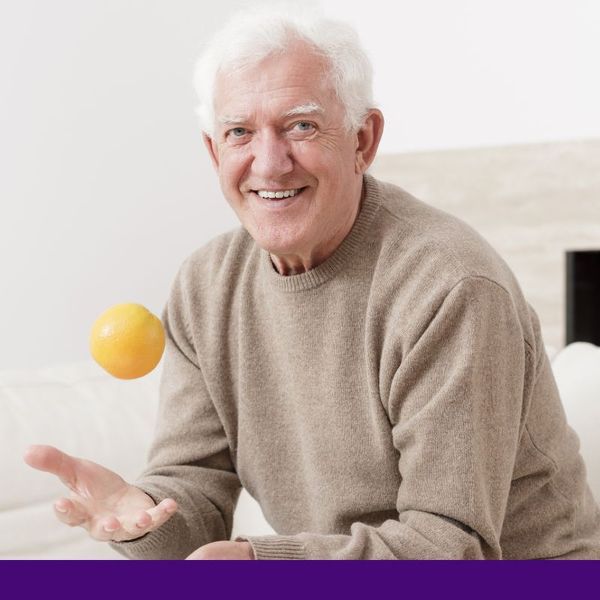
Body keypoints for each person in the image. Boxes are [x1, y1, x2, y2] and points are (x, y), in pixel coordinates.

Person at [24, 7, 600, 560]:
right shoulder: (205, 288)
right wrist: (141, 512)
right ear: (212, 151)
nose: (269, 163)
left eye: (300, 126)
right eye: (239, 132)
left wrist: (266, 563)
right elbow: (192, 489)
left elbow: (451, 547)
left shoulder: (449, 287)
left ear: (362, 140)